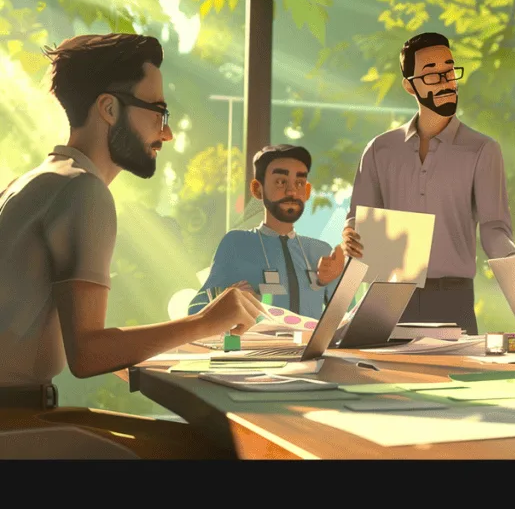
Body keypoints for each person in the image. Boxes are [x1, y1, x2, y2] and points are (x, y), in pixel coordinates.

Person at [0, 33, 261, 458]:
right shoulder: (82, 192)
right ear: (108, 108)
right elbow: (86, 353)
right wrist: (205, 324)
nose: (169, 133)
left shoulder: (36, 181)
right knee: (218, 452)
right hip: (16, 428)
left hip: (22, 415)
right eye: (158, 113)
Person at [341, 32, 515, 335]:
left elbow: (494, 227)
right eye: (431, 74)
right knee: (383, 379)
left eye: (449, 70)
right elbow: (359, 216)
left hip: (453, 298)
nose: (445, 80)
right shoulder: (379, 150)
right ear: (409, 85)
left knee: (456, 380)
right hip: (387, 295)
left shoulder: (482, 149)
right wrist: (349, 234)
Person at [189, 145, 345, 320]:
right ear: (257, 189)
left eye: (299, 183)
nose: (291, 191)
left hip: (310, 347)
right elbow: (196, 311)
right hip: (257, 346)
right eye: (280, 182)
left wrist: (334, 281)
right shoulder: (237, 243)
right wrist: (228, 299)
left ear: (307, 192)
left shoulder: (320, 251)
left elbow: (346, 319)